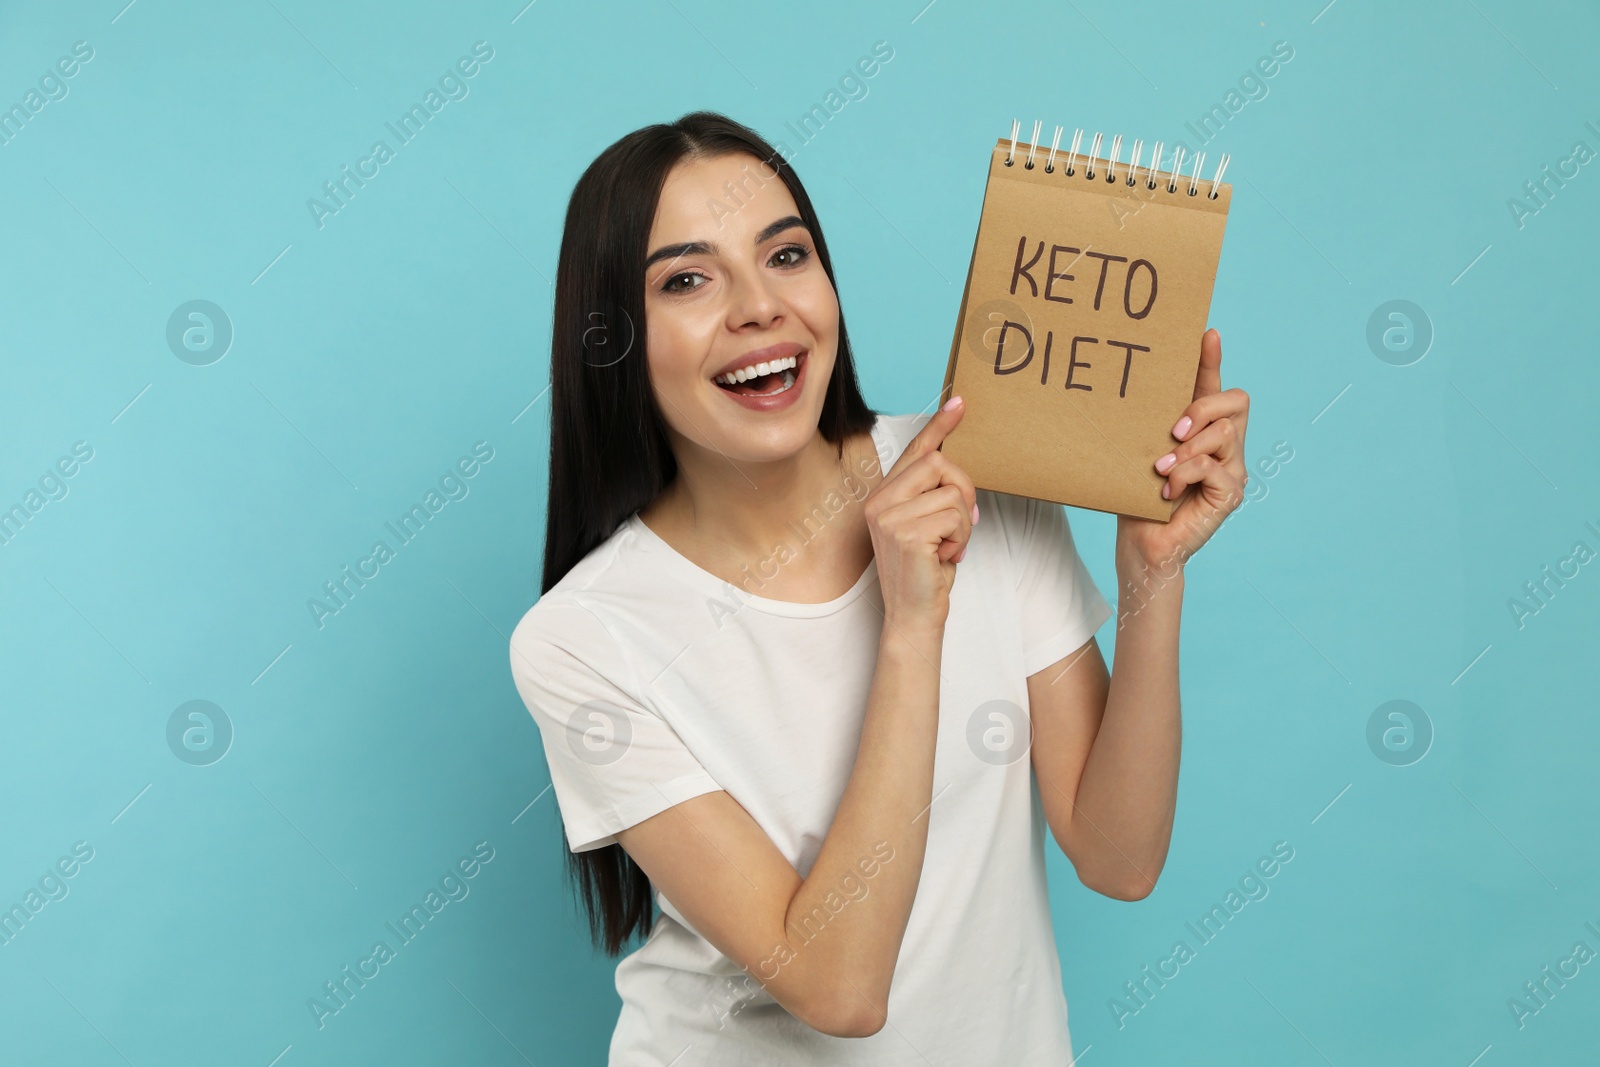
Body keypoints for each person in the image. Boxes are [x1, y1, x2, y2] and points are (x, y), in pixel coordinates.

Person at [508, 110, 1250, 1064]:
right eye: (687, 279)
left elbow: (1119, 857)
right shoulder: (583, 639)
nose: (758, 306)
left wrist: (1152, 577)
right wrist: (911, 624)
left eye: (786, 256)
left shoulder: (977, 469)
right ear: (610, 339)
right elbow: (843, 990)